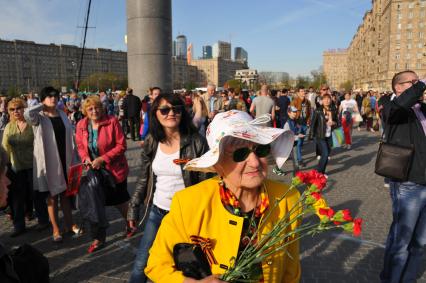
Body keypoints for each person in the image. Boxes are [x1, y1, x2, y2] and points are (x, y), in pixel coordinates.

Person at [144, 110, 297, 282]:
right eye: (240, 154)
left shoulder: (287, 198)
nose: (255, 162)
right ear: (217, 165)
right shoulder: (189, 202)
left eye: (260, 149)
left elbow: (290, 271)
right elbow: (157, 264)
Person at [127, 93, 210, 283]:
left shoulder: (197, 141)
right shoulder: (152, 141)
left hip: (187, 216)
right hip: (158, 212)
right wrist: (133, 207)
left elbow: (207, 182)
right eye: (164, 110)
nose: (171, 113)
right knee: (142, 263)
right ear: (155, 114)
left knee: (189, 269)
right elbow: (144, 177)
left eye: (176, 109)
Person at [379, 71, 426, 283]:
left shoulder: (421, 109)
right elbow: (398, 108)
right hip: (408, 184)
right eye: (413, 82)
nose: (418, 87)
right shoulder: (390, 106)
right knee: (401, 242)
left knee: (421, 242)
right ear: (398, 87)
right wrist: (423, 83)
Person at [75, 95, 131, 253]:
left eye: (97, 107)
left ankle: (130, 222)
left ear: (102, 108)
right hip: (94, 170)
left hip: (114, 169)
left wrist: (103, 158)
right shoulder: (81, 125)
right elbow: (80, 145)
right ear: (85, 111)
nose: (94, 111)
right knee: (96, 204)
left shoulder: (111, 121)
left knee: (120, 201)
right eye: (90, 108)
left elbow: (122, 145)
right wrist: (85, 157)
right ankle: (98, 237)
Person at [24, 86, 78, 242]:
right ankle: (55, 229)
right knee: (52, 197)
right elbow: (28, 113)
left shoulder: (62, 114)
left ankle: (70, 224)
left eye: (55, 96)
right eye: (49, 96)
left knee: (66, 195)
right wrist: (42, 104)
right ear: (42, 99)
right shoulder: (39, 117)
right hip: (49, 161)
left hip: (65, 158)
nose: (53, 99)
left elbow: (70, 136)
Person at [2, 98, 36, 237]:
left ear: (24, 109)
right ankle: (19, 226)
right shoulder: (9, 127)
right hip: (15, 167)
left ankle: (40, 218)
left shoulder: (32, 124)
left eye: (18, 108)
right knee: (17, 197)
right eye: (12, 109)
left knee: (34, 194)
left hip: (33, 165)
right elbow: (5, 148)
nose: (16, 111)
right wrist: (4, 166)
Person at [309, 94, 338, 175]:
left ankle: (322, 172)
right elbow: (313, 124)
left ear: (331, 100)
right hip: (320, 136)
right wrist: (311, 136)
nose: (327, 100)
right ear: (322, 100)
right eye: (325, 99)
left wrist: (334, 123)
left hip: (329, 136)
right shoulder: (318, 110)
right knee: (325, 154)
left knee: (326, 155)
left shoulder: (333, 110)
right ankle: (318, 172)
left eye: (328, 99)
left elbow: (338, 123)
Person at [290, 86, 311, 167]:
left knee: (301, 142)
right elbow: (290, 112)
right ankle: (299, 160)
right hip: (298, 124)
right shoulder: (294, 102)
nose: (303, 93)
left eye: (304, 91)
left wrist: (309, 121)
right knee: (298, 143)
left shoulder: (308, 102)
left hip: (305, 124)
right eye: (301, 91)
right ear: (298, 93)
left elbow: (309, 113)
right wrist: (294, 123)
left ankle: (297, 155)